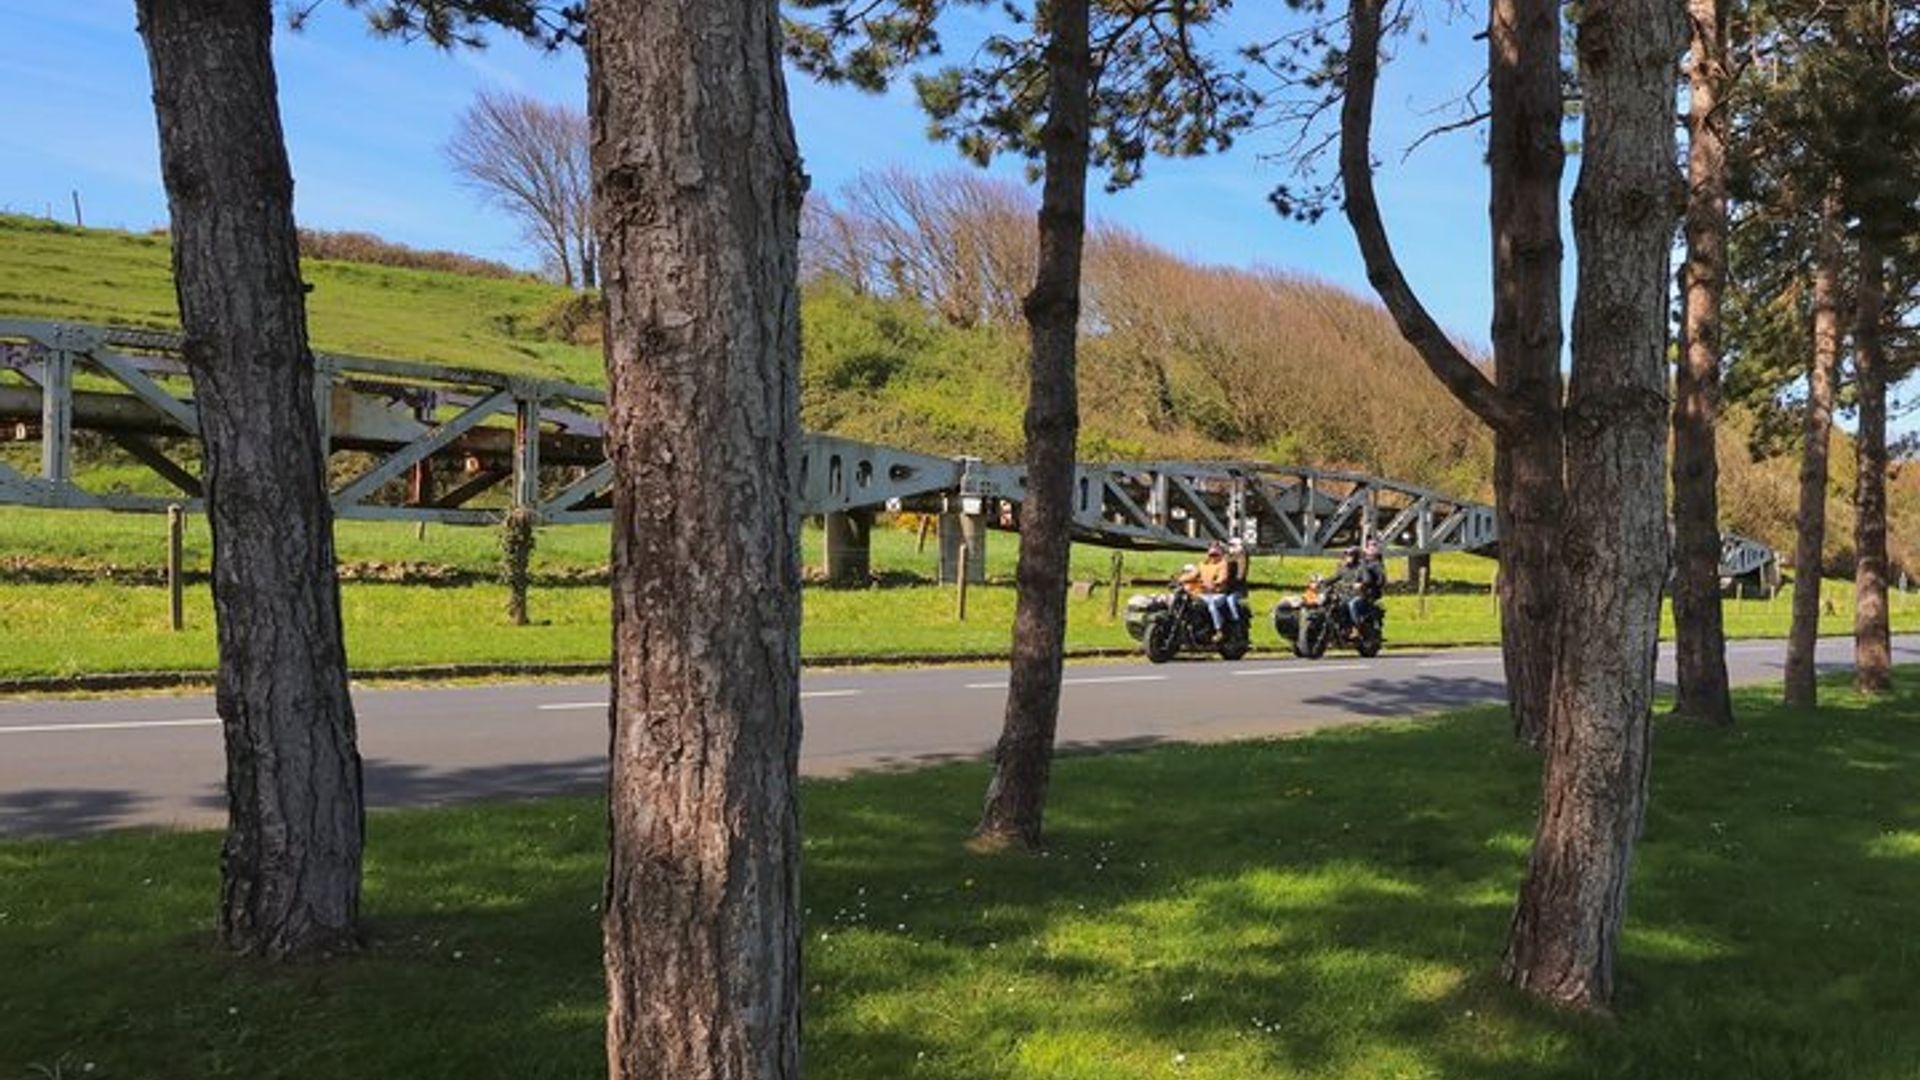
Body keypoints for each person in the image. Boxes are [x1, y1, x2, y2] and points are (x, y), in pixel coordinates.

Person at [1179, 541, 1238, 638]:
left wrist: (1216, 584)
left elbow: (1223, 577)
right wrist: (1180, 579)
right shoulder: (1203, 564)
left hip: (1218, 594)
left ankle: (1219, 630)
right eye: (1211, 554)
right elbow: (1193, 575)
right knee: (1189, 603)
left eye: (1216, 555)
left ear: (1221, 554)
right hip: (1204, 594)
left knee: (1212, 604)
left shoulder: (1223, 564)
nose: (1213, 557)